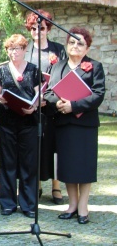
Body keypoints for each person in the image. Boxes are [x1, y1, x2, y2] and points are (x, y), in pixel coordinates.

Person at [44, 27, 105, 224]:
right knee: (68, 166)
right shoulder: (58, 66)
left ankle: (83, 207)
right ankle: (72, 205)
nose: (75, 46)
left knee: (84, 167)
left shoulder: (95, 66)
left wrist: (74, 106)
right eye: (72, 42)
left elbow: (98, 95)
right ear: (67, 44)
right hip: (64, 123)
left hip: (85, 125)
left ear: (87, 48)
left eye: (80, 43)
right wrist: (60, 104)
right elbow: (49, 93)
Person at [0, 34, 40, 217]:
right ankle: (8, 203)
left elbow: (39, 95)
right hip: (7, 121)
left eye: (17, 48)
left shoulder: (33, 70)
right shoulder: (2, 71)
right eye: (10, 49)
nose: (14, 52)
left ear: (24, 50)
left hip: (28, 121)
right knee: (8, 163)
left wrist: (34, 106)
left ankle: (28, 204)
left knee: (28, 164)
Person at [24, 9, 66, 205]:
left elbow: (64, 76)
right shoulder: (26, 50)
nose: (36, 32)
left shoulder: (57, 50)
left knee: (54, 145)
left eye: (40, 28)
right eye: (33, 28)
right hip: (32, 106)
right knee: (35, 145)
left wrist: (49, 99)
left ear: (48, 28)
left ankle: (56, 185)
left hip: (52, 105)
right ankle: (37, 185)